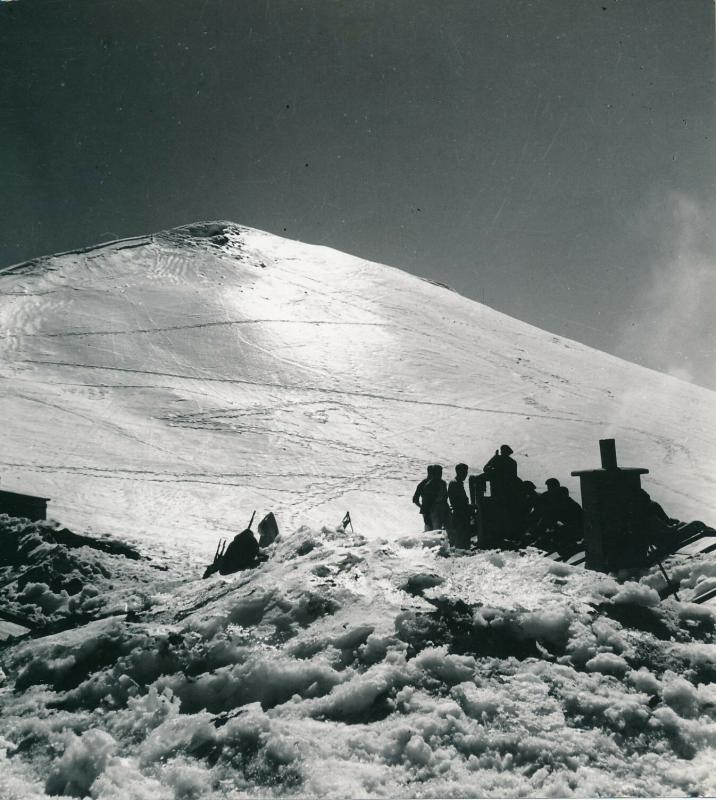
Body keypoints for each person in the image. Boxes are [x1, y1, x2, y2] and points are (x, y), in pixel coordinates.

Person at [447, 463, 472, 548]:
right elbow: (458, 502)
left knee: (462, 539)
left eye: (466, 472)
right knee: (460, 539)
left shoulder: (458, 483)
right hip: (459, 514)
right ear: (458, 472)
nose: (465, 474)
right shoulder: (455, 483)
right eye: (464, 472)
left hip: (460, 513)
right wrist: (469, 507)